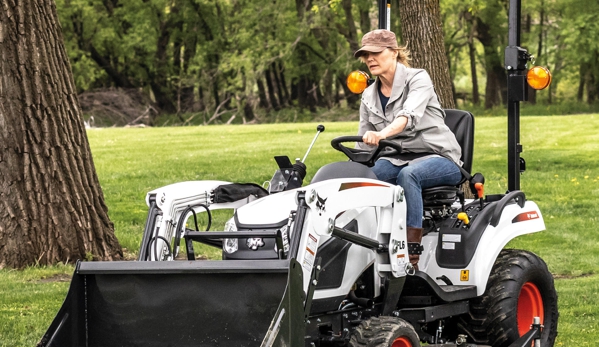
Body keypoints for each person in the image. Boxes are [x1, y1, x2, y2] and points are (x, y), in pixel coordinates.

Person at [354, 29, 463, 270]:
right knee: (367, 177)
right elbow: (362, 142)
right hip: (396, 158)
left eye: (376, 52)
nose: (370, 59)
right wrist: (354, 168)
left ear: (393, 53)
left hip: (439, 156)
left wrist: (382, 134)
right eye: (365, 55)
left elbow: (408, 115)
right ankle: (360, 244)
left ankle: (410, 251)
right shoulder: (368, 96)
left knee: (409, 175)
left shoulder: (418, 79)